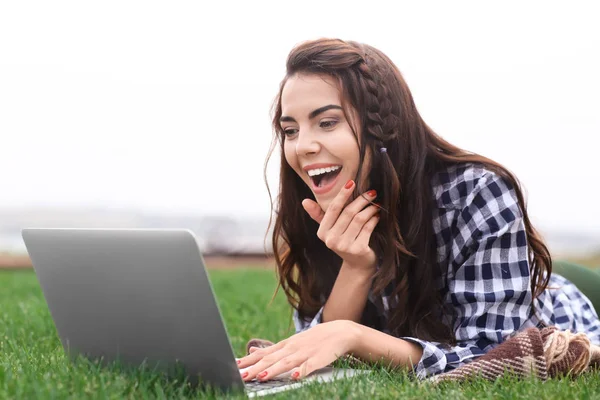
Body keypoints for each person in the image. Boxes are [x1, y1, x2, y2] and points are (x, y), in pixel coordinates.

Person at [236, 38, 600, 382]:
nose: (303, 147)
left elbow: (495, 353)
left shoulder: (476, 192)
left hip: (559, 300)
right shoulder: (314, 209)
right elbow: (317, 347)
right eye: (290, 130)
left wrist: (354, 335)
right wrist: (356, 267)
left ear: (382, 128)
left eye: (327, 122)